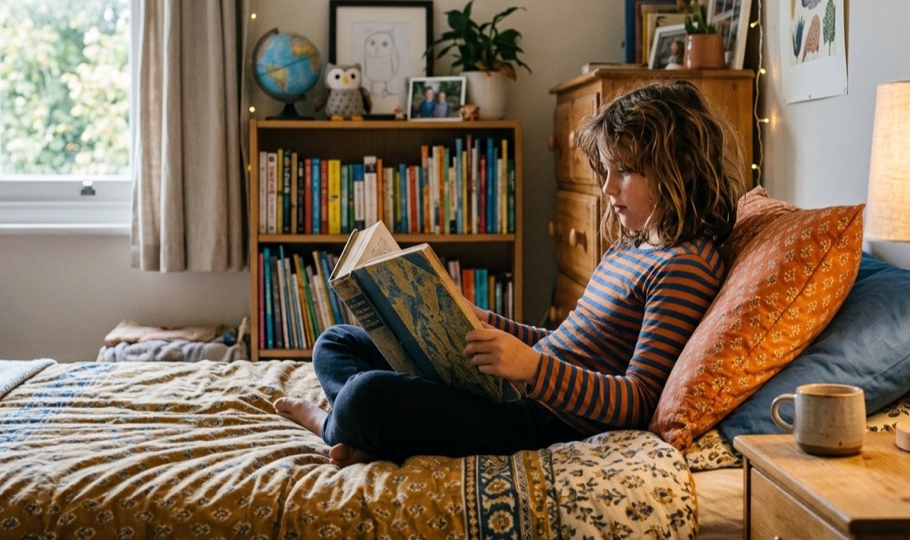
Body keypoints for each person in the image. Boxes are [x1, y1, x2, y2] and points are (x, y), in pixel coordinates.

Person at [275, 80, 747, 467]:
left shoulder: (684, 267)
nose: (606, 188)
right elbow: (566, 340)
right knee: (337, 343)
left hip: (536, 420)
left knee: (366, 396)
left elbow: (638, 399)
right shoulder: (632, 246)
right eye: (605, 169)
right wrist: (485, 321)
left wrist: (533, 370)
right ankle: (368, 434)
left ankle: (330, 423)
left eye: (624, 171)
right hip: (518, 390)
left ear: (677, 170)